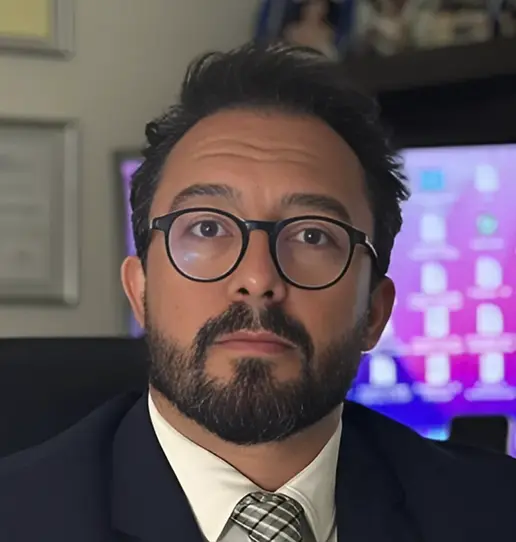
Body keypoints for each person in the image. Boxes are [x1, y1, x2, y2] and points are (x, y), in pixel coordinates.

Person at [0, 42, 515, 542]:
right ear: (141, 291)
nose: (258, 277)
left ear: (374, 312)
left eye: (312, 236)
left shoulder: (495, 512)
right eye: (206, 228)